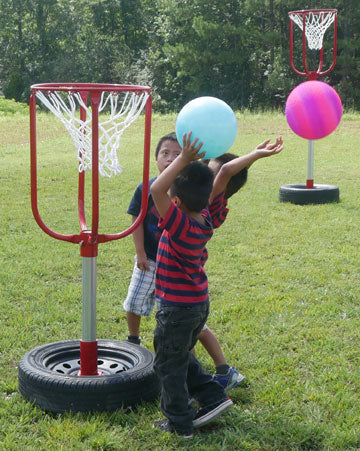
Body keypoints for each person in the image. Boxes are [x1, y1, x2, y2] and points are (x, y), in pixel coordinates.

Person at [123, 132, 243, 390]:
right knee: (142, 306)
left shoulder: (183, 209)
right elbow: (137, 217)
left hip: (175, 283)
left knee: (182, 330)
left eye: (177, 155)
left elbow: (161, 190)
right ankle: (135, 341)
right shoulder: (204, 213)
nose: (170, 158)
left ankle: (199, 378)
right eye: (165, 153)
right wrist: (140, 252)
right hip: (160, 269)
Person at [151, 132, 233, 437]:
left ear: (175, 202)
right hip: (197, 305)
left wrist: (184, 158)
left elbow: (157, 188)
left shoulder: (180, 225)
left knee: (168, 367)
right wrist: (188, 163)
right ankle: (213, 396)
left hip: (176, 309)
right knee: (180, 356)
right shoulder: (206, 219)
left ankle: (179, 423)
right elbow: (221, 175)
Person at [192, 136, 283, 389]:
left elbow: (225, 170)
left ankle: (194, 378)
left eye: (210, 173)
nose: (205, 173)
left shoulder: (209, 201)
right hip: (191, 273)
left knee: (187, 330)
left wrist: (255, 154)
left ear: (221, 183)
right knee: (196, 327)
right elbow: (221, 170)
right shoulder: (210, 200)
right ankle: (222, 370)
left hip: (185, 275)